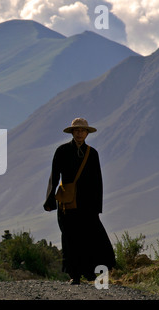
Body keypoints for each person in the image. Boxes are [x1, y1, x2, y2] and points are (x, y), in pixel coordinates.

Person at [43, 118, 116, 284]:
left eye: (83, 131)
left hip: (87, 205)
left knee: (90, 238)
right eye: (77, 130)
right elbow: (54, 176)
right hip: (67, 204)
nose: (79, 133)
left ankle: (91, 274)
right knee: (70, 238)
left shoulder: (92, 153)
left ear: (87, 133)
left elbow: (98, 181)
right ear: (72, 132)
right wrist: (49, 200)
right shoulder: (61, 151)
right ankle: (74, 275)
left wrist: (97, 206)